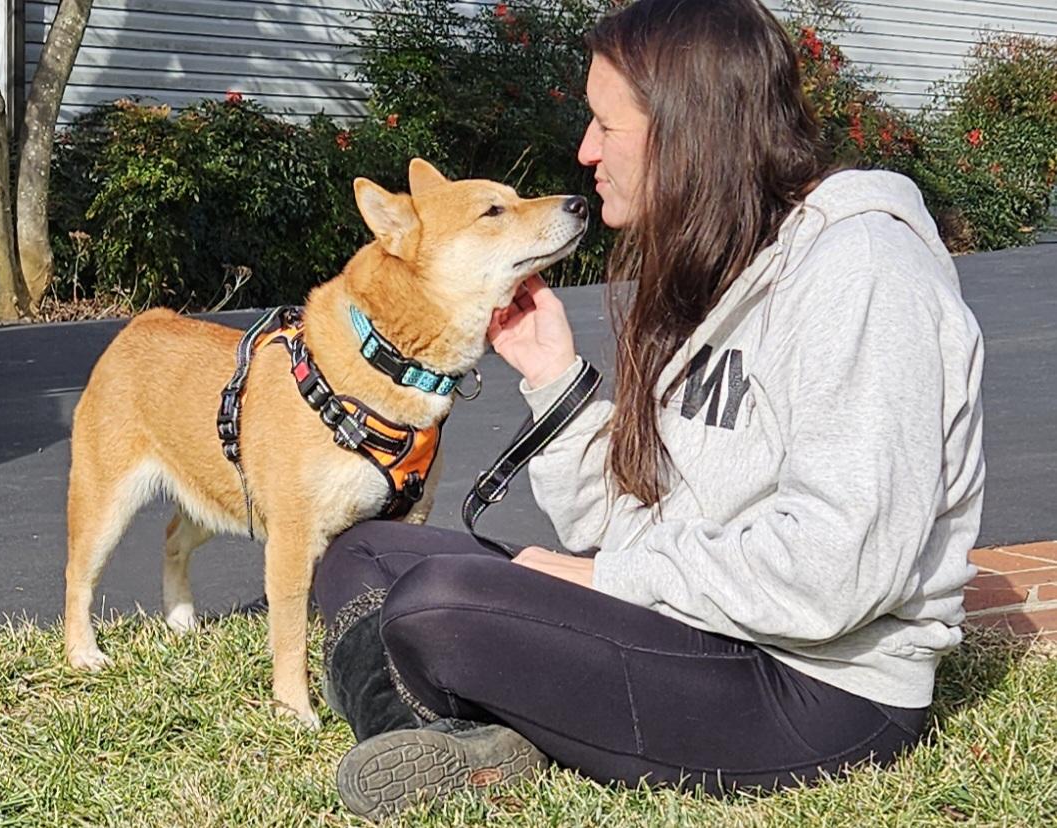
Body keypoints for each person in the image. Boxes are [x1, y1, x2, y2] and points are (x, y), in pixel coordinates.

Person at [313, 0, 985, 820]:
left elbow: (837, 571)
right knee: (366, 554)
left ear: (688, 127)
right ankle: (438, 740)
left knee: (436, 604)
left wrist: (607, 579)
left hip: (821, 691)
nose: (585, 151)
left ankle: (480, 716)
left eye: (605, 125)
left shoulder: (864, 273)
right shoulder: (718, 259)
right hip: (694, 626)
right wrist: (554, 377)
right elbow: (622, 520)